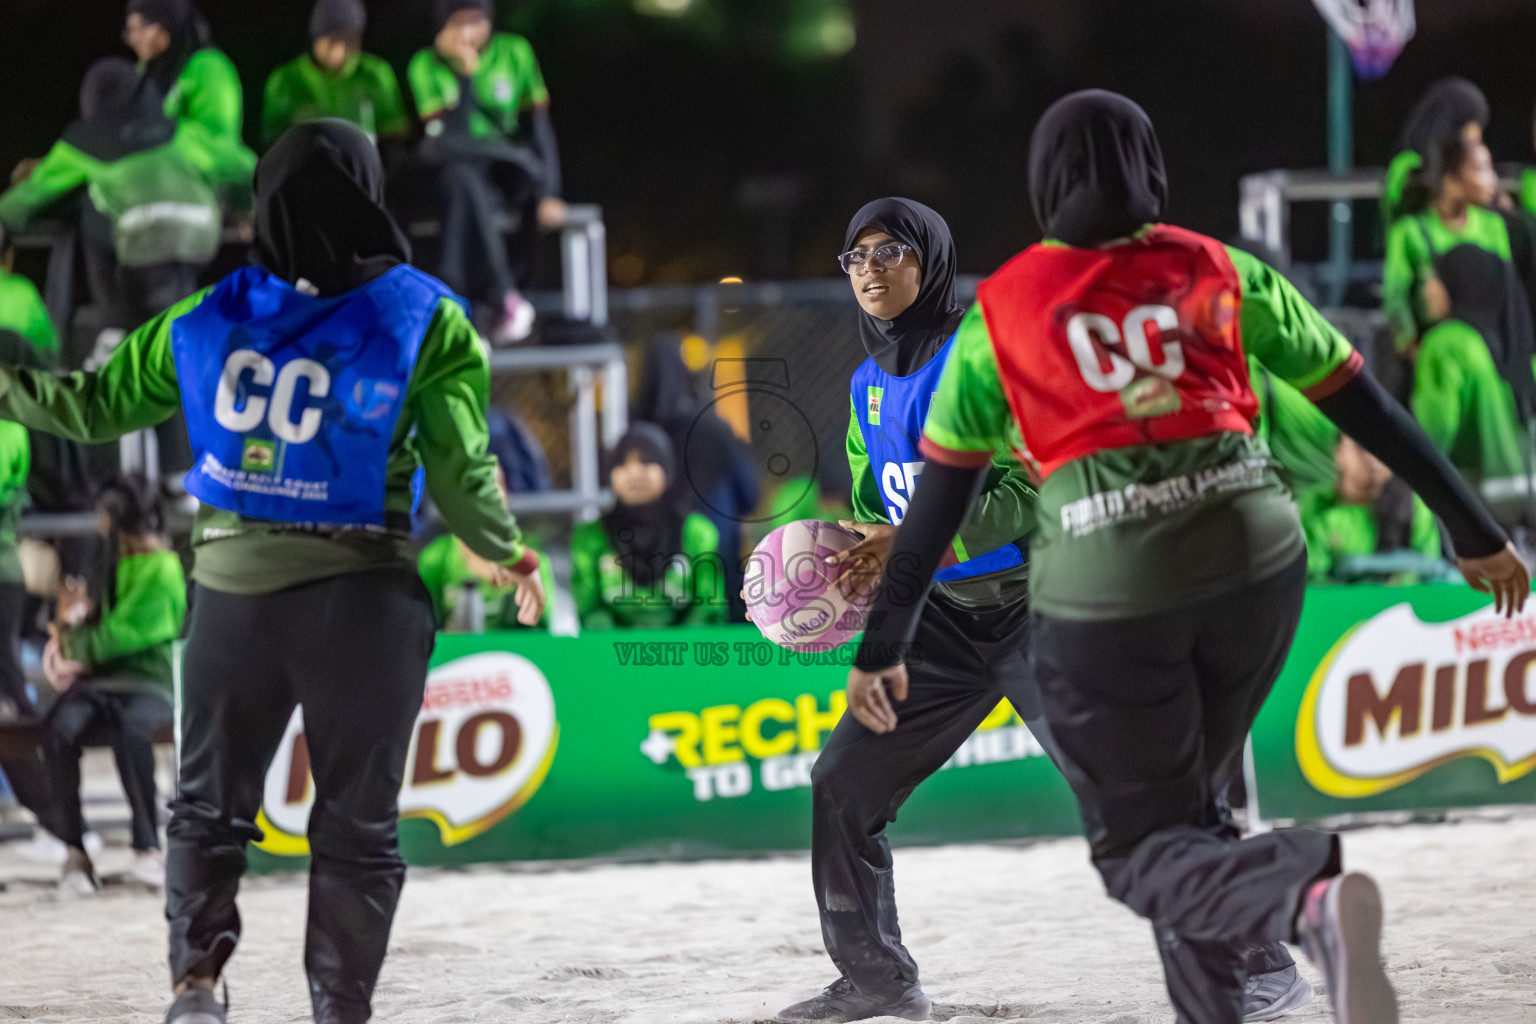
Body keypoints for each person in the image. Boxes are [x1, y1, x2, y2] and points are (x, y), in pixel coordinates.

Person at [847, 91, 1529, 1024]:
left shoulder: (1006, 307)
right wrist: (1472, 528)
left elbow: (940, 504)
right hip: (1260, 560)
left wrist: (883, 640)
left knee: (1142, 847)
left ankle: (1304, 898)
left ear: (1044, 180)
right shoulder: (1220, 265)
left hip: (1116, 574)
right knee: (1191, 801)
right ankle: (1239, 987)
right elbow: (1366, 404)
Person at [0, 119, 545, 1024]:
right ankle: (339, 1007)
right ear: (370, 194)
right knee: (357, 826)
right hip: (363, 602)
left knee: (207, 810)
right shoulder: (426, 316)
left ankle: (196, 986)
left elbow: (92, 408)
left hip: (232, 603)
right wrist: (507, 548)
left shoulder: (206, 315)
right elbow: (461, 469)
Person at [774, 198, 1308, 1024]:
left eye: (890, 251)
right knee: (841, 782)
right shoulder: (866, 385)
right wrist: (853, 558)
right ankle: (877, 979)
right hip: (944, 621)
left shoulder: (984, 355)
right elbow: (879, 505)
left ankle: (1259, 959)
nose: (870, 270)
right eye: (856, 256)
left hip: (1048, 606)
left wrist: (917, 539)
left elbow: (1032, 485)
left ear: (931, 261)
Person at [0, 58, 253, 335]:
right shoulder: (183, 132)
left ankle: (110, 327)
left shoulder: (84, 142)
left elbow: (22, 202)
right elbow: (245, 167)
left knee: (91, 202)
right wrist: (244, 209)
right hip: (200, 236)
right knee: (174, 304)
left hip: (141, 242)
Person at [17, 476, 184, 893]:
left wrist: (74, 644)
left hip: (148, 683)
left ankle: (147, 847)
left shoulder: (162, 567)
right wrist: (70, 623)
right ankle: (74, 848)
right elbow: (89, 621)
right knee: (57, 731)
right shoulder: (106, 561)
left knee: (133, 731)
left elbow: (123, 635)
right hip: (98, 683)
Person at [1381, 84, 1536, 525]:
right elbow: (1397, 298)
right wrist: (1413, 343)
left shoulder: (1492, 225)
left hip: (1492, 343)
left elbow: (1506, 291)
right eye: (1471, 134)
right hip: (1441, 344)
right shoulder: (1413, 214)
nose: (1492, 178)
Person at [397, 0, 567, 344]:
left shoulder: (514, 52)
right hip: (452, 171)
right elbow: (450, 138)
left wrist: (550, 191)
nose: (466, 32)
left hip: (502, 172)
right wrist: (465, 76)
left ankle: (458, 309)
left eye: (474, 21)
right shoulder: (425, 64)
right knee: (458, 176)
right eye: (457, 23)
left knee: (463, 182)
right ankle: (503, 296)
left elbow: (538, 127)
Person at [571, 423, 725, 630]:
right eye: (622, 463)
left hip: (684, 648)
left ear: (667, 470)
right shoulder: (591, 536)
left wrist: (673, 647)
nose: (634, 472)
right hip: (613, 648)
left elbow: (709, 610)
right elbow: (589, 612)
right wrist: (624, 647)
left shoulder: (697, 533)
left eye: (646, 461)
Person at [418, 467, 555, 630]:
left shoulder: (530, 562)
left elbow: (541, 631)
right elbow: (422, 627)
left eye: (491, 494)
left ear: (504, 498)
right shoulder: (435, 558)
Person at [1298, 436, 1449, 585]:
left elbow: (1431, 576)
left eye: (1382, 450)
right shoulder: (1312, 506)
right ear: (1338, 451)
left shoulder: (1413, 507)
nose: (1374, 460)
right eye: (1361, 448)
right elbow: (1310, 582)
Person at [262, 0, 410, 150]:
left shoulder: (376, 74)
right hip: (307, 162)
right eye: (332, 41)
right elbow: (272, 140)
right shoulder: (285, 79)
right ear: (315, 38)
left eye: (349, 40)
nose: (340, 50)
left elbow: (394, 134)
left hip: (364, 161)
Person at [125, 0, 247, 164]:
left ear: (166, 23)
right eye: (129, 31)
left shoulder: (207, 66)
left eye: (140, 29)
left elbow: (218, 144)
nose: (133, 39)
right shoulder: (142, 76)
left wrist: (150, 131)